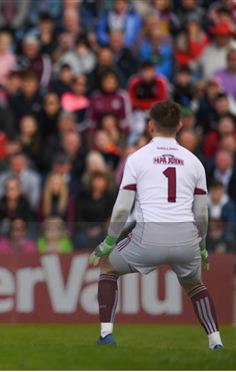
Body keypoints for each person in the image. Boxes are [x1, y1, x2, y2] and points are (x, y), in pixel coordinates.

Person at [88, 100, 224, 350]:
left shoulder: (138, 158)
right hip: (186, 237)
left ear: (150, 125)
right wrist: (202, 247)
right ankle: (215, 341)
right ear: (180, 125)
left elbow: (121, 209)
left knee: (108, 268)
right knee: (195, 286)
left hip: (148, 236)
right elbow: (202, 213)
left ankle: (106, 335)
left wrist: (108, 242)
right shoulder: (194, 162)